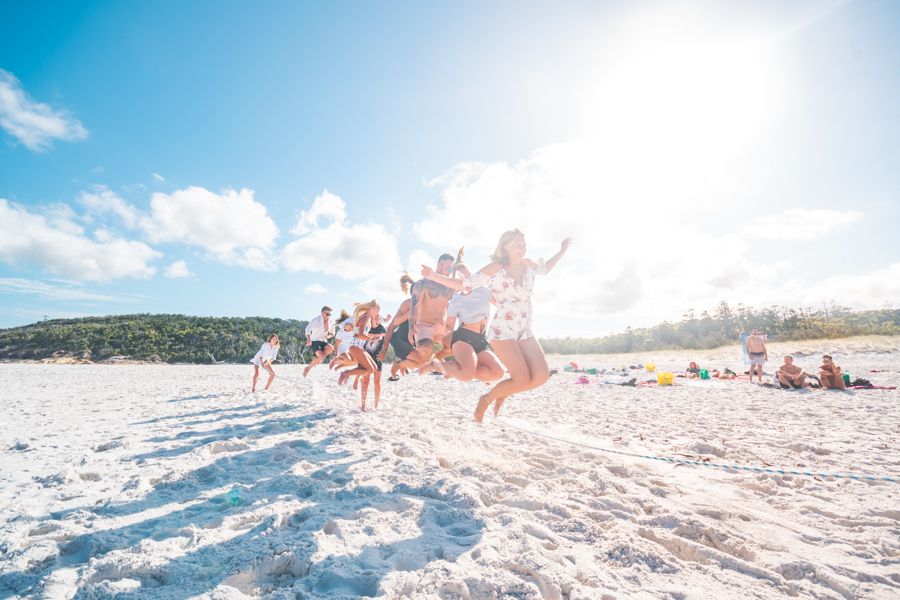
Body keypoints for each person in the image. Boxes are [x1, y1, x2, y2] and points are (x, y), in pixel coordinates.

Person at [422, 230, 571, 422]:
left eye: (524, 244)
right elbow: (463, 283)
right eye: (518, 244)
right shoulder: (496, 268)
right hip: (503, 330)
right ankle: (486, 399)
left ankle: (503, 392)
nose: (523, 248)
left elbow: (545, 269)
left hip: (525, 328)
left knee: (541, 376)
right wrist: (433, 276)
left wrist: (562, 250)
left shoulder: (528, 264)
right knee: (522, 379)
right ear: (505, 246)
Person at [427, 257, 504, 383]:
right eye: (462, 275)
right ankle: (442, 367)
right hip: (463, 338)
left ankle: (455, 369)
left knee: (497, 373)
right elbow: (449, 330)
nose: (467, 276)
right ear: (454, 280)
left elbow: (502, 304)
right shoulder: (456, 300)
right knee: (468, 373)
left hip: (481, 339)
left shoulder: (483, 290)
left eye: (468, 273)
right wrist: (443, 330)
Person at [399, 254, 457, 374]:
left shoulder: (450, 287)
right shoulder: (422, 284)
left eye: (452, 269)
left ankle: (434, 363)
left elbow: (458, 302)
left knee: (457, 346)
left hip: (441, 327)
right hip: (424, 326)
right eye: (448, 268)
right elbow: (413, 306)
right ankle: (402, 363)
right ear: (439, 265)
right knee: (426, 350)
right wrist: (411, 328)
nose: (450, 271)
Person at [338, 300, 383, 410]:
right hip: (355, 347)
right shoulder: (365, 318)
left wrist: (373, 337)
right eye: (377, 310)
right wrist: (371, 338)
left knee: (374, 368)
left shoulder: (366, 318)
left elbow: (362, 334)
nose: (377, 313)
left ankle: (348, 373)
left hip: (359, 347)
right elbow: (360, 335)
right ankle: (346, 373)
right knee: (370, 369)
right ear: (371, 309)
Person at [380, 275, 417, 381]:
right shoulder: (408, 304)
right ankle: (398, 366)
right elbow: (392, 326)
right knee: (419, 361)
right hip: (401, 340)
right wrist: (385, 349)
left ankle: (399, 365)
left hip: (414, 341)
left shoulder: (426, 305)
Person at [303, 306, 336, 377]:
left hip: (323, 341)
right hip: (314, 341)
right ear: (322, 313)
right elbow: (307, 330)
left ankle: (319, 359)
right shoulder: (316, 320)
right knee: (320, 357)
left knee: (331, 348)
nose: (328, 316)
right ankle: (307, 368)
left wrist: (329, 336)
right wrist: (308, 339)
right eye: (327, 314)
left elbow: (333, 333)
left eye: (330, 314)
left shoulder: (331, 321)